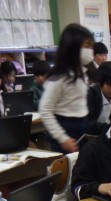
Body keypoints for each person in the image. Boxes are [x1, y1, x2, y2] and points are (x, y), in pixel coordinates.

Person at [39, 23, 94, 153]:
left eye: (91, 46)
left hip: (82, 124)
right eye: (87, 46)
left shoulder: (84, 73)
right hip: (65, 127)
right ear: (73, 47)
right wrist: (62, 138)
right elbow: (45, 110)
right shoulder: (60, 78)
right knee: (67, 164)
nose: (90, 50)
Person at [86, 61, 111, 135]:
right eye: (110, 85)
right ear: (100, 82)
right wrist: (110, 129)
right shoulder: (91, 95)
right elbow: (88, 123)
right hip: (96, 136)